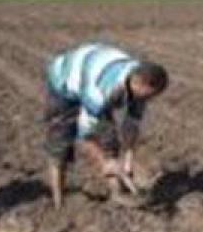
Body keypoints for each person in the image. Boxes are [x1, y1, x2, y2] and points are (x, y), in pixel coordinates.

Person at [44, 43, 168, 209]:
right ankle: (58, 202)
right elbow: (85, 137)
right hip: (64, 79)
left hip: (93, 69)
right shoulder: (100, 93)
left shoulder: (141, 80)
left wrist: (128, 161)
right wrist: (104, 162)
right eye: (148, 96)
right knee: (60, 141)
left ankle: (117, 192)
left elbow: (132, 124)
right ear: (138, 84)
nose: (149, 100)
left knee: (109, 139)